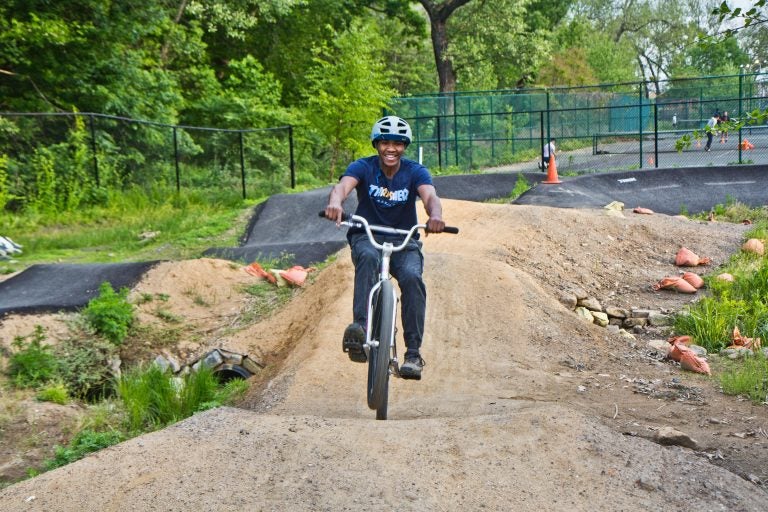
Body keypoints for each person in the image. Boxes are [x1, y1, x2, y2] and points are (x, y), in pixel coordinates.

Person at [324, 115, 446, 380]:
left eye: (398, 143)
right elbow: (342, 187)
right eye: (385, 143)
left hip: (404, 239)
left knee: (413, 278)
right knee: (367, 257)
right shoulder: (363, 167)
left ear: (405, 146)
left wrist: (435, 216)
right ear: (376, 145)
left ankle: (413, 354)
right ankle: (360, 327)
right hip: (368, 235)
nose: (391, 149)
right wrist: (336, 203)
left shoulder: (415, 172)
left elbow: (430, 196)